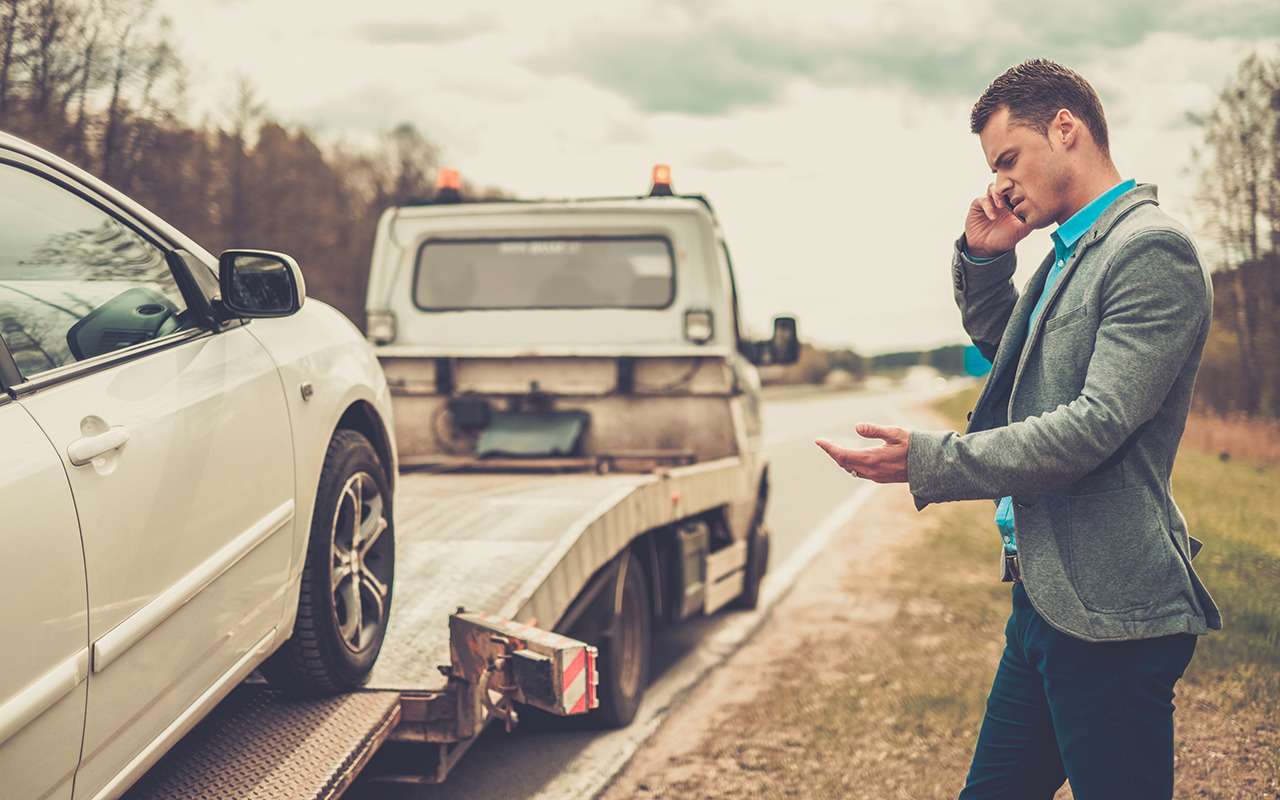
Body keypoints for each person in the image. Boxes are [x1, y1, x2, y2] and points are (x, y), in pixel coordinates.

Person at [815, 59, 1221, 799]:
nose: (1000, 184)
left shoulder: (1148, 250)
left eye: (1008, 159)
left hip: (1111, 617)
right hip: (1046, 597)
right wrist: (984, 260)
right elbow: (1022, 366)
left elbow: (1090, 427)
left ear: (1065, 127)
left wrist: (930, 461)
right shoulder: (1072, 251)